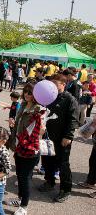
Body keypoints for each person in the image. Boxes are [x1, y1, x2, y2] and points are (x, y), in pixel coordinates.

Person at [38, 74, 79, 203]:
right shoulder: (49, 97)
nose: (52, 86)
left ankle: (65, 189)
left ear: (63, 84)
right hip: (48, 136)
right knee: (47, 160)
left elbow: (73, 120)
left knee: (63, 164)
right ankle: (49, 182)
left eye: (55, 83)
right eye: (51, 83)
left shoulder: (70, 99)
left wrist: (68, 136)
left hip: (62, 138)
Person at [8, 82, 45, 215]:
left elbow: (41, 131)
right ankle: (19, 199)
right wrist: (13, 124)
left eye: (30, 92)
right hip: (19, 145)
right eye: (26, 92)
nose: (27, 94)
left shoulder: (39, 109)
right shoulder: (23, 105)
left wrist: (42, 127)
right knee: (19, 174)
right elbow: (19, 125)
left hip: (30, 147)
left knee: (25, 177)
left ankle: (24, 206)